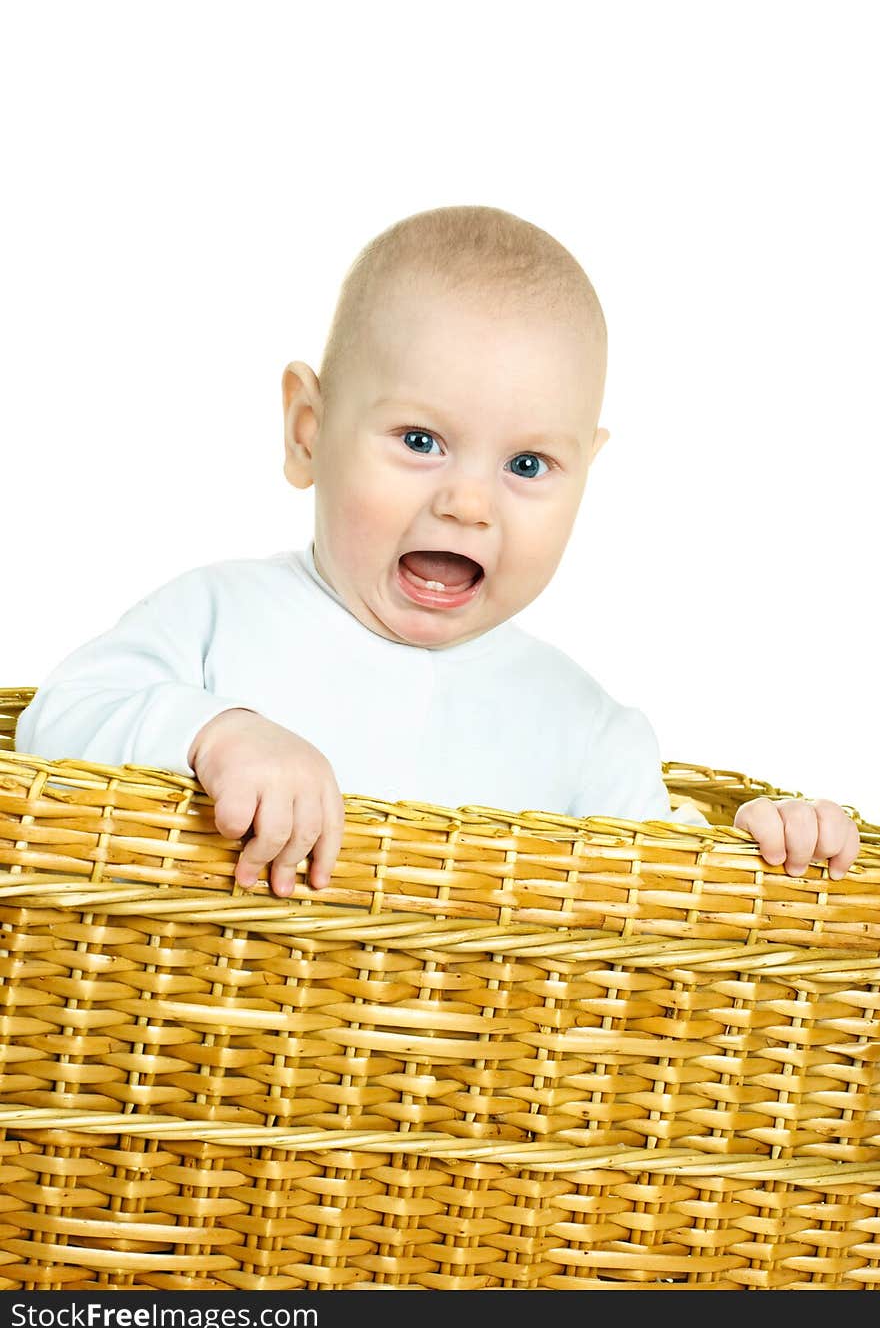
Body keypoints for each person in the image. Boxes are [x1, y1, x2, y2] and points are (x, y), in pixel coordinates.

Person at [15, 205, 861, 896]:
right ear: (308, 433)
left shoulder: (588, 732)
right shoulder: (216, 619)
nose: (466, 503)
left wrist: (760, 843)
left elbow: (657, 884)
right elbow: (54, 724)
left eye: (528, 464)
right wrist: (217, 732)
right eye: (420, 440)